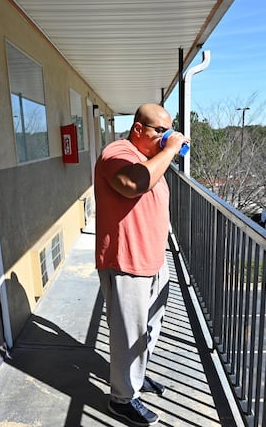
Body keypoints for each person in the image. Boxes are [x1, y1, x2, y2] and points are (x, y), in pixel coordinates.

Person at [94, 103, 188, 426]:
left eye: (170, 130)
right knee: (127, 333)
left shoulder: (148, 159)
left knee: (149, 329)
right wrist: (172, 148)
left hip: (153, 261)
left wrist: (166, 148)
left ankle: (136, 375)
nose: (168, 137)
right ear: (138, 130)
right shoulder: (116, 153)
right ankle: (122, 398)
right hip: (126, 262)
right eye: (161, 131)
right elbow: (133, 184)